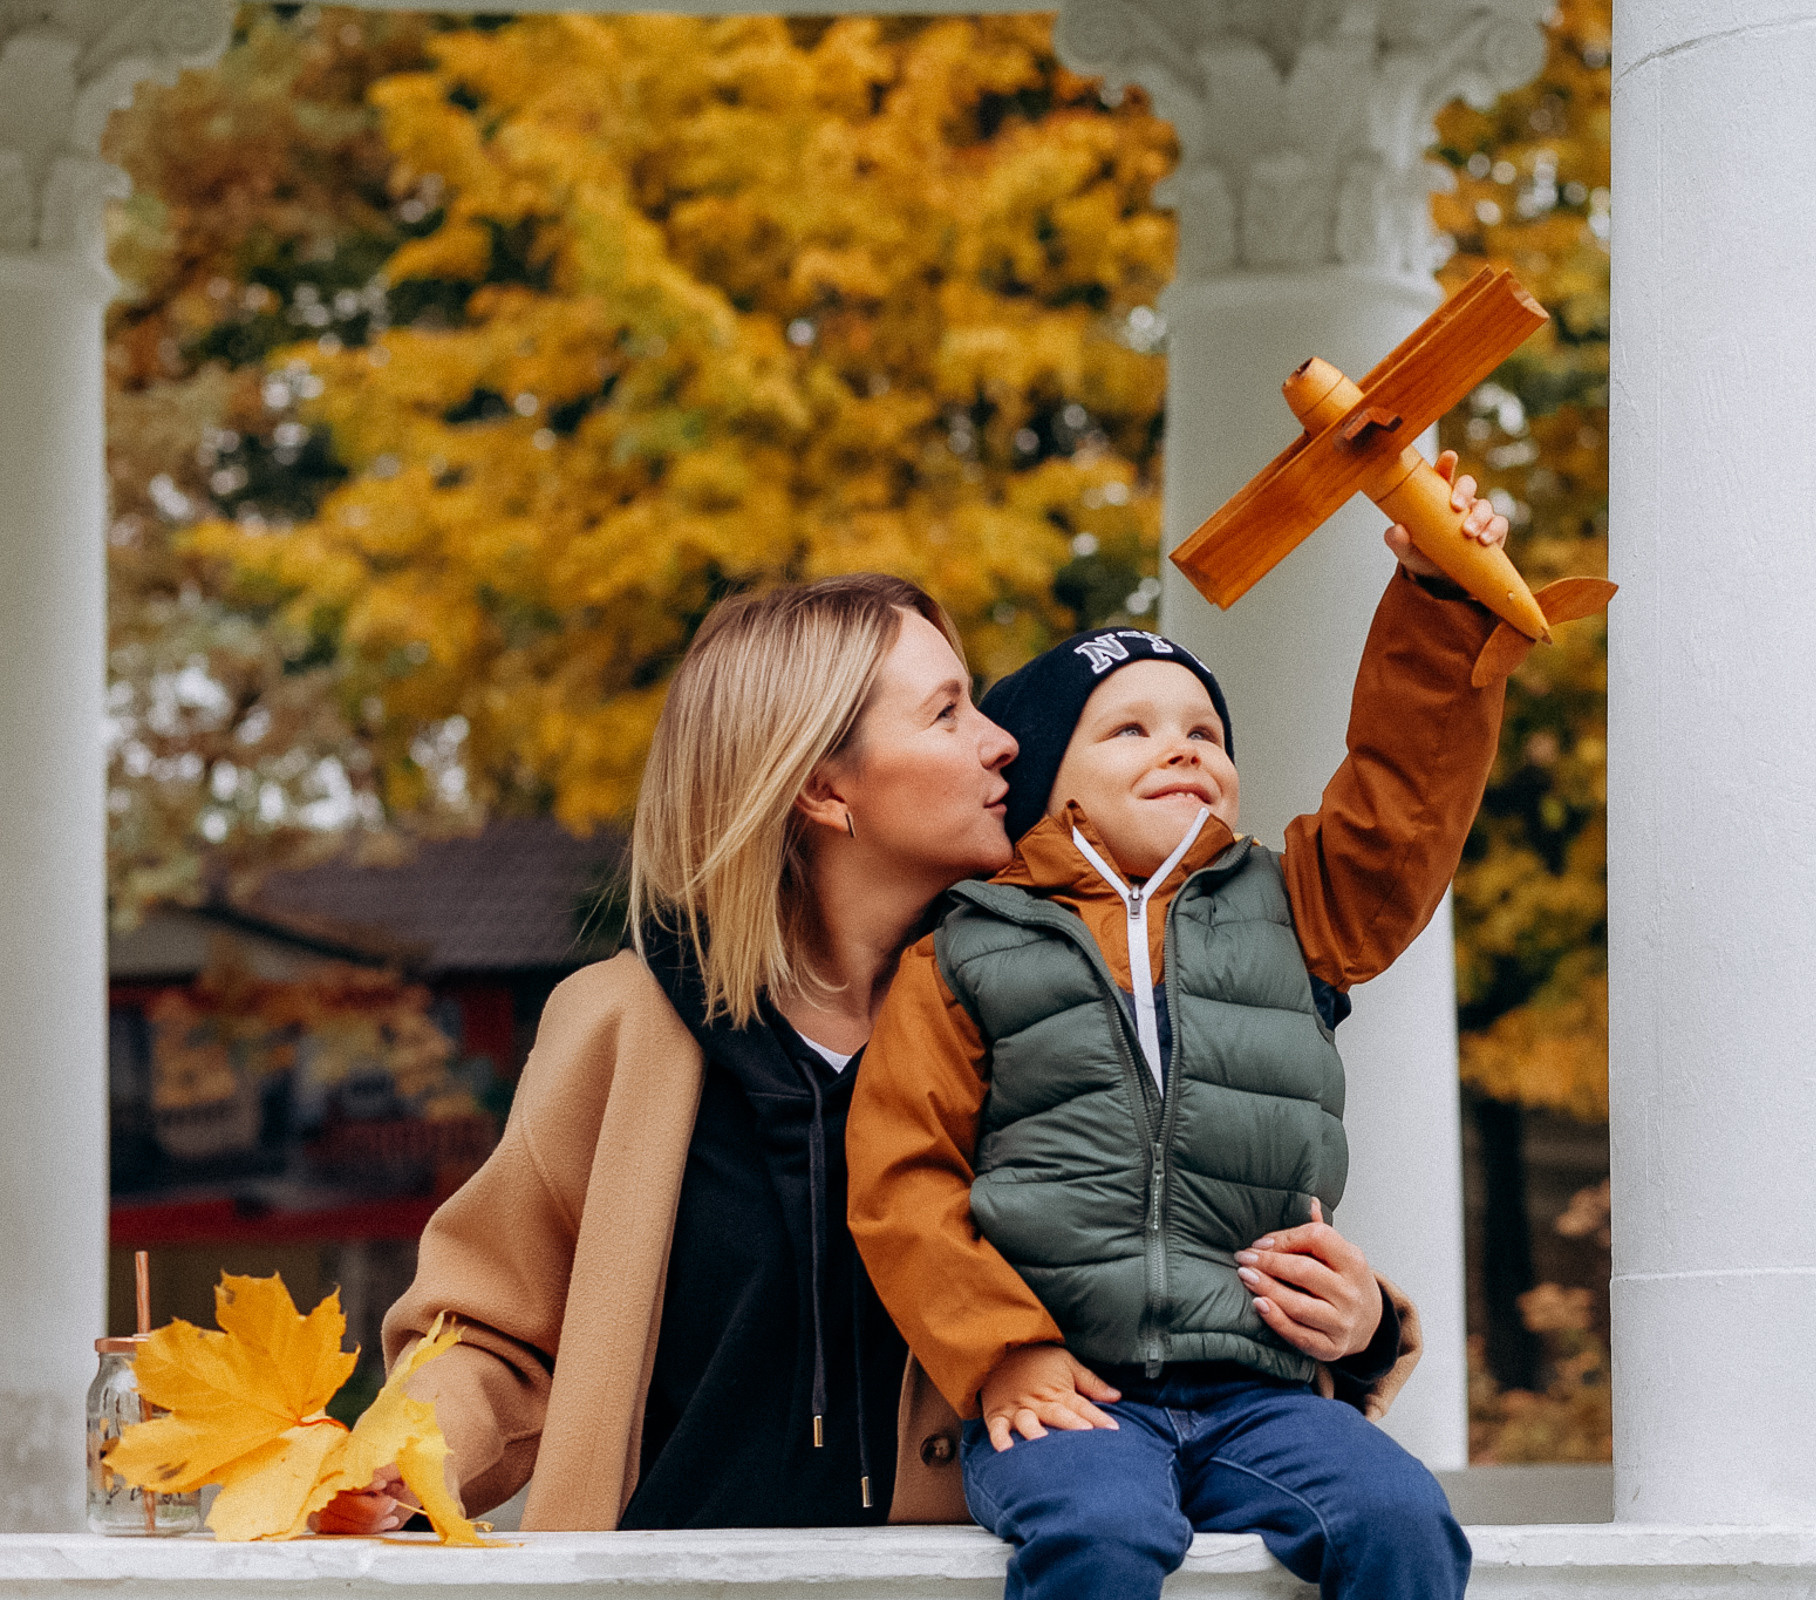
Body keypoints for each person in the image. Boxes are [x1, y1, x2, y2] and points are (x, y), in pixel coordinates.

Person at [319, 573, 1403, 1534]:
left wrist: (1356, 1328)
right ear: (824, 787)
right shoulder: (618, 1026)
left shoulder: (1038, 1002)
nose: (1002, 741)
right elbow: (495, 1340)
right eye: (947, 711)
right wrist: (398, 1460)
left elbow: (1167, 1276)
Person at [846, 454, 1512, 1599]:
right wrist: (1005, 1351)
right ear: (1050, 780)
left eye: (1206, 729)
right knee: (1098, 1537)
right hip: (1070, 1387)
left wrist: (1443, 604)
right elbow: (903, 1174)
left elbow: (1403, 790)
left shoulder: (1297, 907)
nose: (1184, 746)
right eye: (1132, 731)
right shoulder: (967, 945)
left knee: (1400, 1515)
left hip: (1261, 1388)